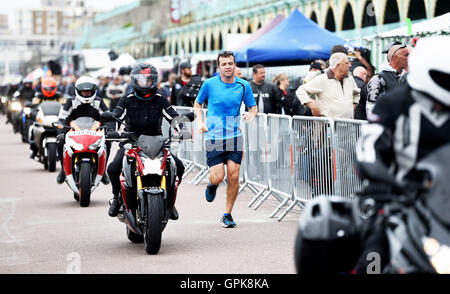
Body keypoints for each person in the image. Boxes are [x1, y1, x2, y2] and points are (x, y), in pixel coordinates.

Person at [354, 36, 450, 273]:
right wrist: (381, 177)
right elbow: (367, 147)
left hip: (443, 201)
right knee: (374, 254)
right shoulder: (393, 104)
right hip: (399, 200)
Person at [107, 63, 186, 220]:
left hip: (157, 143)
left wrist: (182, 129)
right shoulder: (126, 100)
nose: (146, 83)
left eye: (149, 80)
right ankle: (116, 197)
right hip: (131, 142)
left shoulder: (160, 100)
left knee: (179, 167)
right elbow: (115, 116)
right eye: (142, 79)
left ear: (154, 81)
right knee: (113, 168)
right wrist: (111, 130)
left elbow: (174, 116)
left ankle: (170, 203)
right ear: (135, 80)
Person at [193, 51, 257, 228]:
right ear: (219, 66)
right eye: (224, 64)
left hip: (234, 136)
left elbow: (253, 106)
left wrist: (252, 114)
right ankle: (212, 185)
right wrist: (200, 122)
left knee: (234, 175)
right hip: (214, 136)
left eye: (230, 63)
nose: (228, 67)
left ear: (235, 65)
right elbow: (198, 104)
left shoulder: (244, 85)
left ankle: (227, 214)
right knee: (218, 177)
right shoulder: (209, 84)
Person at [55, 76, 111, 185]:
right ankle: (63, 169)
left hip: (94, 133)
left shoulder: (99, 102)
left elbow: (108, 117)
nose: (86, 94)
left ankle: (103, 170)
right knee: (59, 141)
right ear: (78, 91)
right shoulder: (70, 102)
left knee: (108, 142)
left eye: (89, 92)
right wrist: (61, 131)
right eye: (84, 92)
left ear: (94, 91)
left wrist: (110, 129)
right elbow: (62, 117)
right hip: (74, 133)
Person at [296, 52, 360, 119]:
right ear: (338, 65)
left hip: (349, 126)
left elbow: (356, 94)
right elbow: (300, 91)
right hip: (329, 127)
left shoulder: (349, 78)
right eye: (347, 63)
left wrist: (353, 106)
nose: (350, 65)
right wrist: (313, 106)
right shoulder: (322, 79)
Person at [366, 43, 410, 118]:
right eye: (406, 55)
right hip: (387, 125)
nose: (409, 58)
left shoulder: (407, 77)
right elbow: (371, 108)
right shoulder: (378, 78)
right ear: (396, 58)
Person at [29, 77, 65, 159]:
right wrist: (32, 112)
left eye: (51, 88)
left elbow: (65, 106)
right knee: (32, 128)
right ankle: (33, 150)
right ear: (43, 88)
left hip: (56, 120)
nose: (49, 90)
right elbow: (33, 106)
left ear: (55, 88)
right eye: (47, 88)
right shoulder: (38, 96)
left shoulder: (59, 96)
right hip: (42, 120)